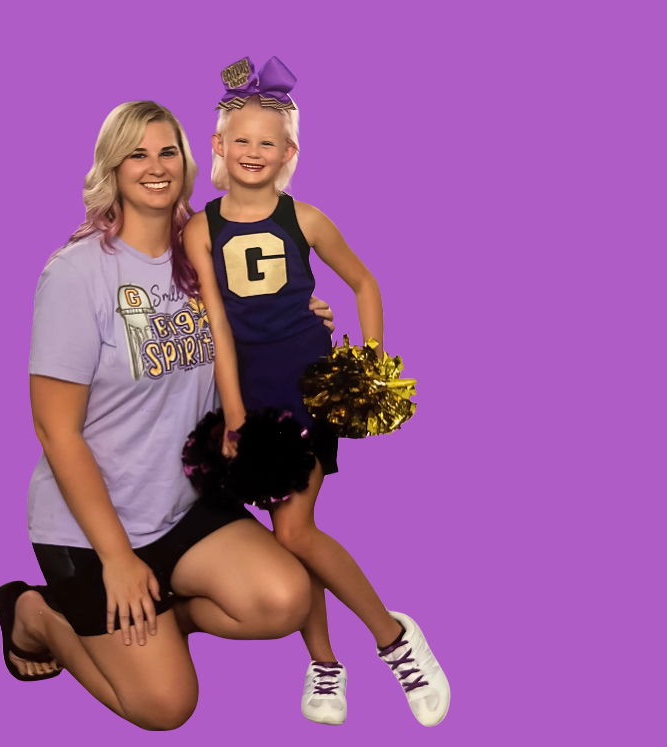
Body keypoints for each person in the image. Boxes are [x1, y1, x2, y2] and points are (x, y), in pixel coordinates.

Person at [0, 100, 337, 731]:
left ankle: (151, 628)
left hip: (183, 509)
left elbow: (255, 325)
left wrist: (302, 318)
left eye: (168, 151)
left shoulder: (203, 255)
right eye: (137, 153)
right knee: (165, 707)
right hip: (93, 529)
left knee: (284, 599)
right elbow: (54, 429)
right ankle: (37, 616)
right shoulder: (77, 274)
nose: (155, 166)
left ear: (188, 161)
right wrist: (119, 558)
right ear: (113, 167)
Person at [183, 56, 451, 727]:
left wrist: (368, 365)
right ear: (218, 145)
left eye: (267, 142)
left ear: (289, 153)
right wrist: (234, 410)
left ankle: (394, 639)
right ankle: (326, 664)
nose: (253, 152)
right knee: (285, 537)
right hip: (243, 398)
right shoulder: (200, 228)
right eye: (241, 140)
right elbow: (216, 322)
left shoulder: (305, 219)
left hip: (306, 393)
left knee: (295, 530)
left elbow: (364, 282)